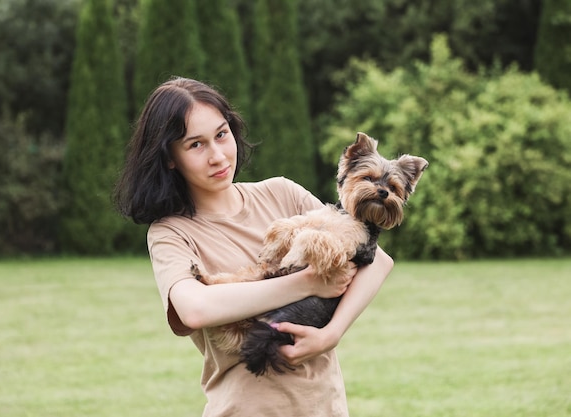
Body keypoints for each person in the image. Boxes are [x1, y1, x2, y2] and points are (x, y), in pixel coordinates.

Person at [114, 76, 394, 416]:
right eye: (195, 145)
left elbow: (377, 260)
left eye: (221, 134)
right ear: (170, 157)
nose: (218, 156)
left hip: (325, 406)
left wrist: (331, 334)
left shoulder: (282, 193)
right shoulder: (171, 233)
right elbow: (195, 308)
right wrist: (305, 283)